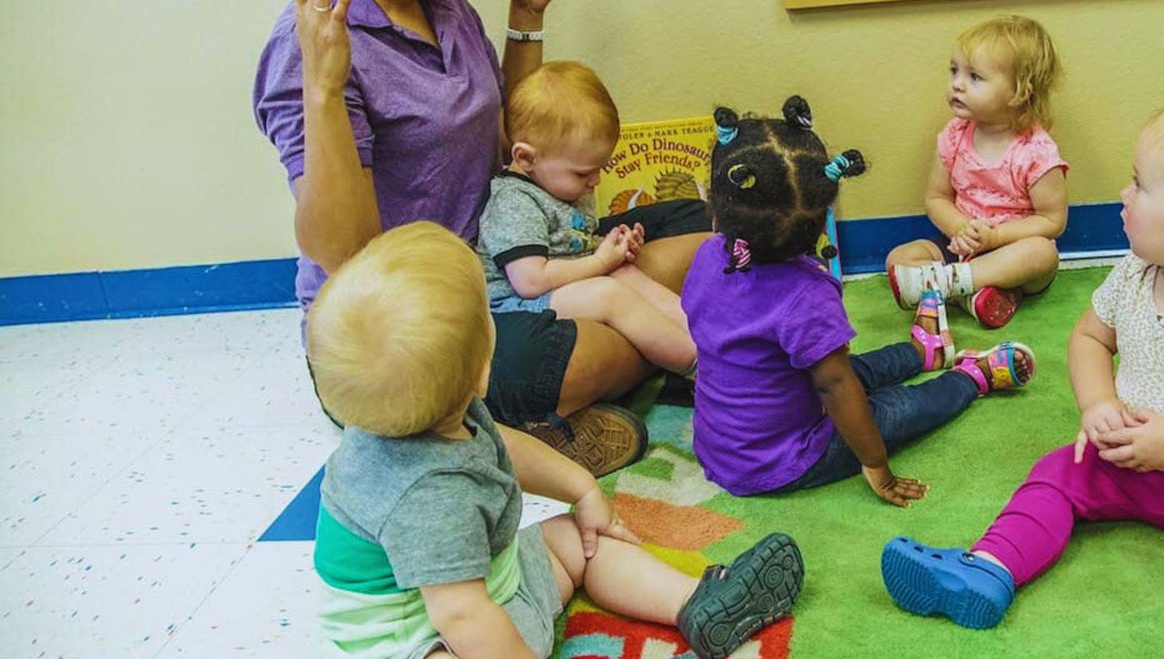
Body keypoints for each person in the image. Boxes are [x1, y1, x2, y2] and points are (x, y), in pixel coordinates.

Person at [253, 0, 710, 475]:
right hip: (402, 336)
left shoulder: (444, 1)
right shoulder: (307, 43)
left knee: (698, 230)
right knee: (606, 332)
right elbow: (341, 252)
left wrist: (525, 15)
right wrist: (322, 86)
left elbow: (509, 149)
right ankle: (530, 417)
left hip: (502, 269)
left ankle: (585, 383)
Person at [880, 90, 1164, 659]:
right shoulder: (1136, 273)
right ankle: (987, 569)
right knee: (1053, 476)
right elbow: (1091, 337)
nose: (1122, 192)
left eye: (1140, 184)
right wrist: (1097, 404)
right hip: (1125, 459)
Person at [308, 221, 802, 659]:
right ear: (484, 369)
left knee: (577, 539)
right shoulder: (429, 497)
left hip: (497, 581)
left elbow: (500, 447)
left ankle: (698, 603)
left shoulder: (432, 412)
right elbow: (461, 618)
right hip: (423, 637)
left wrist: (581, 487)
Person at [681, 97, 1036, 505]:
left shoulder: (709, 255)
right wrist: (876, 466)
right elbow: (834, 387)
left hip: (725, 447)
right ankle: (972, 377)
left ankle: (921, 353)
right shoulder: (805, 295)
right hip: (781, 460)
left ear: (717, 209)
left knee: (842, 367)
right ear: (821, 222)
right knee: (891, 409)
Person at [476, 61, 697, 375]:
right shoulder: (515, 202)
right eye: (583, 173)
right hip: (513, 308)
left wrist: (611, 247)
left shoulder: (564, 183)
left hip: (556, 287)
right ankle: (698, 365)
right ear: (525, 158)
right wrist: (601, 262)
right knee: (609, 293)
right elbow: (530, 282)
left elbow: (571, 242)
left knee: (627, 275)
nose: (595, 181)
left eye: (600, 168)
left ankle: (709, 340)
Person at [884, 15, 1068, 329]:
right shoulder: (955, 136)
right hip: (959, 244)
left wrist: (995, 237)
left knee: (1042, 254)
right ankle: (970, 294)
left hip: (1012, 251)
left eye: (975, 77)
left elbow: (1052, 222)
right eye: (954, 71)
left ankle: (948, 286)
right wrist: (960, 229)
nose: (957, 84)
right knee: (897, 258)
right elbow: (936, 197)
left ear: (1019, 91)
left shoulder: (1036, 152)